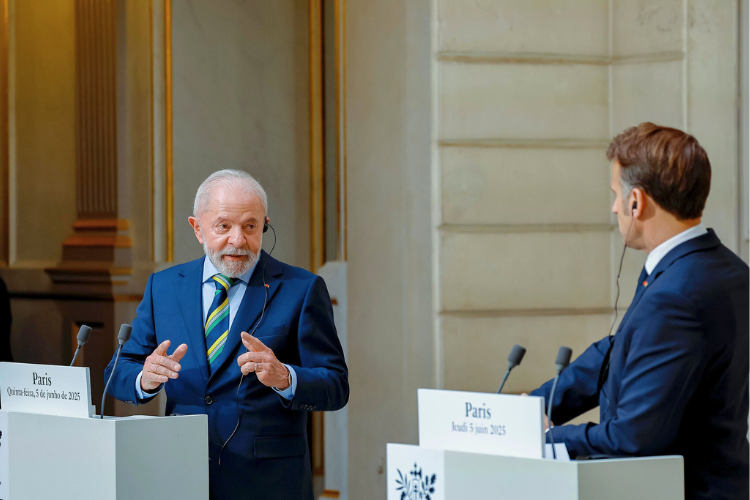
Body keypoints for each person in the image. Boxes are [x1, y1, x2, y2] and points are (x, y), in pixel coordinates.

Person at [530, 123, 748, 500]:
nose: (614, 207)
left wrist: (546, 438)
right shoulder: (725, 268)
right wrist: (540, 404)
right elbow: (623, 349)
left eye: (616, 195)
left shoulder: (676, 293)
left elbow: (632, 438)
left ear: (637, 202)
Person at [105, 169, 349, 500]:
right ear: (197, 228)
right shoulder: (163, 287)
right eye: (223, 226)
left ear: (264, 226)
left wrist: (285, 378)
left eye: (250, 226)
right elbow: (118, 371)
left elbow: (336, 385)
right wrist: (144, 379)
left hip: (268, 484)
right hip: (181, 473)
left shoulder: (301, 289)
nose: (238, 240)